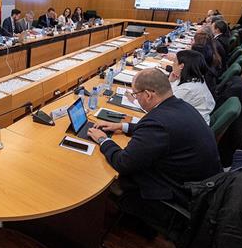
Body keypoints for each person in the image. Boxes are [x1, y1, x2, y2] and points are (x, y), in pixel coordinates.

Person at [87, 69, 221, 233]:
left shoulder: (157, 121)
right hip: (204, 189)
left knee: (103, 175)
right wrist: (122, 126)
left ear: (148, 95)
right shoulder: (180, 106)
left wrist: (103, 140)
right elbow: (161, 132)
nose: (136, 98)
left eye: (136, 95)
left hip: (179, 195)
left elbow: (123, 162)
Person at [168, 50, 216, 124]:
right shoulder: (195, 78)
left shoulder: (187, 89)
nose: (172, 64)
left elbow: (164, 106)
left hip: (192, 126)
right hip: (193, 119)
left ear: (181, 66)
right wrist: (171, 81)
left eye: (174, 62)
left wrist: (169, 82)